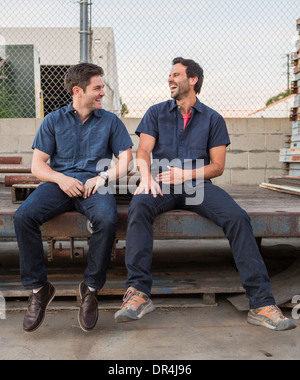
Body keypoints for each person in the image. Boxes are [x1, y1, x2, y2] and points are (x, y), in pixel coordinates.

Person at [114, 57, 297, 331]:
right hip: (161, 183)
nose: (170, 79)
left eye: (176, 74)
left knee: (237, 217)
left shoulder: (213, 119)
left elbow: (217, 167)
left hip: (197, 186)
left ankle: (261, 304)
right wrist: (147, 177)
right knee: (139, 207)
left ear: (193, 80)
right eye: (170, 75)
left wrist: (185, 175)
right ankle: (138, 294)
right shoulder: (156, 112)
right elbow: (143, 151)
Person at [14, 63, 133, 333]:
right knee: (24, 217)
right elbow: (38, 166)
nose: (103, 93)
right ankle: (38, 289)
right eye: (98, 88)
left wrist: (102, 178)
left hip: (95, 184)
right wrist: (61, 178)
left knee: (106, 218)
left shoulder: (111, 121)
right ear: (78, 91)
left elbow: (126, 162)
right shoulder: (53, 120)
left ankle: (90, 289)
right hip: (60, 183)